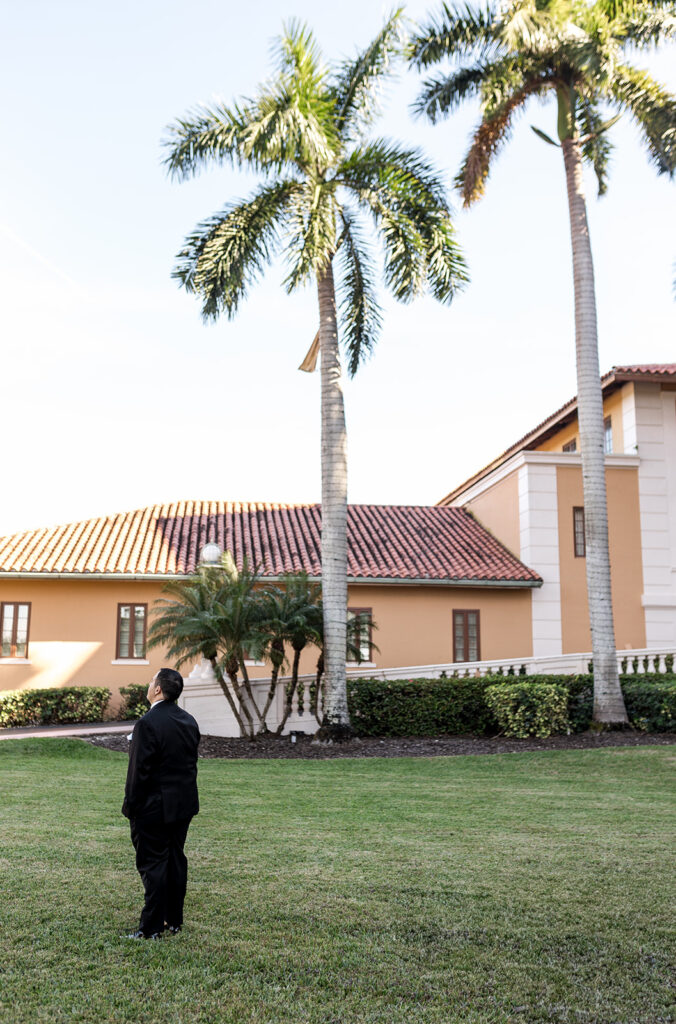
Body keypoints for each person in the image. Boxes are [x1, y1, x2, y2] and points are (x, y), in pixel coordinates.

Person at [122, 667, 200, 939]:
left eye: (151, 681)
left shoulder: (147, 723)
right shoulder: (189, 721)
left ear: (157, 689)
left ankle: (151, 928)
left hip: (153, 807)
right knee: (175, 860)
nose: (149, 685)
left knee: (153, 864)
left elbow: (138, 773)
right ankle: (173, 919)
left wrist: (130, 806)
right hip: (183, 806)